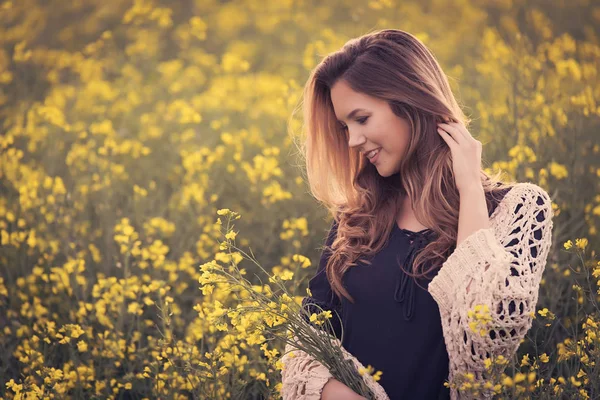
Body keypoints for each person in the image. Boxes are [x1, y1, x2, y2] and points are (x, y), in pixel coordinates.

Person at [280, 29, 553, 400]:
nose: (352, 141)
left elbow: (486, 330)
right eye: (345, 126)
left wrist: (469, 188)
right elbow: (308, 337)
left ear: (410, 100)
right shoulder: (358, 217)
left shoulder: (517, 209)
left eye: (361, 118)